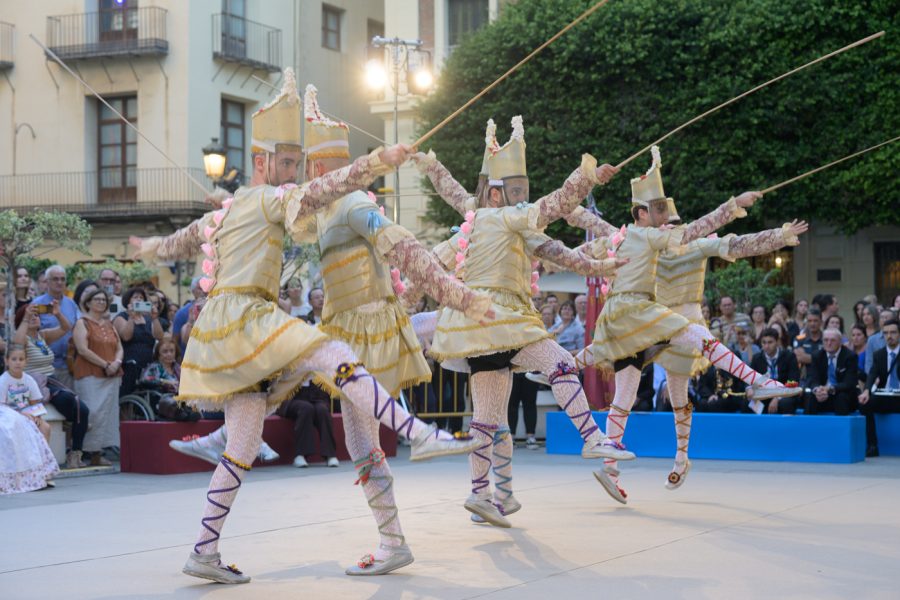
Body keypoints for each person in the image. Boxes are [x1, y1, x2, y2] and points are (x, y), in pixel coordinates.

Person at [132, 71, 478, 583]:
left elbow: (180, 240)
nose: (296, 173)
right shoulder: (272, 200)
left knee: (252, 440)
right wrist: (377, 160)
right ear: (262, 161)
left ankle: (204, 547)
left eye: (300, 162)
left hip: (228, 328)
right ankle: (418, 433)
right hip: (249, 317)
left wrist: (148, 247)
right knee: (330, 355)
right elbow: (323, 192)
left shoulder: (233, 210)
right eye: (289, 162)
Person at [417, 115, 632, 528]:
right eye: (516, 191)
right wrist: (587, 177)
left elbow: (555, 251)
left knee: (487, 420)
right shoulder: (505, 218)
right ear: (496, 194)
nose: (523, 199)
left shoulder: (489, 222)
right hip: (504, 321)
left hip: (478, 331)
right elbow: (554, 207)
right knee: (560, 364)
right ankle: (591, 438)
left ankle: (482, 494)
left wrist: (428, 163)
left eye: (523, 191)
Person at [569, 146, 800, 501]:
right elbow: (599, 233)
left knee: (668, 393)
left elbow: (737, 243)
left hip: (660, 318)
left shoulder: (671, 242)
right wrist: (572, 210)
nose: (668, 228)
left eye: (670, 222)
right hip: (648, 319)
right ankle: (758, 381)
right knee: (630, 384)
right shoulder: (646, 239)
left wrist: (778, 236)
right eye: (663, 220)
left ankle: (668, 458)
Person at [13, 302, 89, 469]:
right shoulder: (22, 337)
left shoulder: (43, 335)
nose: (34, 317)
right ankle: (69, 435)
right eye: (30, 315)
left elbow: (66, 327)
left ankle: (75, 453)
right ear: (21, 319)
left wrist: (57, 313)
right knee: (73, 403)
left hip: (51, 381)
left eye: (36, 315)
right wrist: (25, 318)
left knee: (82, 410)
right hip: (34, 383)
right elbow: (17, 343)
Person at [72, 288, 123, 466]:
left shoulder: (109, 324)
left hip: (111, 375)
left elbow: (119, 347)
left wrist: (116, 362)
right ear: (88, 303)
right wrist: (105, 365)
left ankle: (97, 454)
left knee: (107, 415)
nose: (101, 302)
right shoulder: (82, 323)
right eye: (97, 299)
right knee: (92, 413)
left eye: (103, 300)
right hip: (90, 374)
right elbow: (82, 350)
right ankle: (79, 452)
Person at [0, 345, 58, 494]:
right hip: (8, 416)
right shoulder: (3, 380)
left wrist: (36, 417)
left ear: (26, 361)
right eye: (14, 359)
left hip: (27, 415)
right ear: (6, 361)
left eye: (21, 359)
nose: (17, 362)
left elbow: (35, 403)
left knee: (44, 427)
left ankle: (42, 472)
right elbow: (2, 406)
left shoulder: (29, 380)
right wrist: (21, 415)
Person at [33, 265, 80, 389]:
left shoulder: (71, 304)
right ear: (47, 281)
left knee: (68, 398)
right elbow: (31, 334)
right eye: (55, 279)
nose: (59, 282)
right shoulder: (37, 304)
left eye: (62, 279)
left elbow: (78, 328)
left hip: (68, 365)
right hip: (45, 366)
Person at [114, 286, 165, 396]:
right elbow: (126, 336)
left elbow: (160, 336)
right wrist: (131, 317)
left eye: (141, 298)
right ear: (128, 301)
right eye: (135, 297)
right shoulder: (121, 317)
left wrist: (155, 318)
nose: (138, 299)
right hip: (129, 365)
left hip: (147, 365)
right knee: (127, 394)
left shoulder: (148, 318)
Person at [859, 319, 900, 456]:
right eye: (886, 333)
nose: (889, 336)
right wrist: (866, 391)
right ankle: (872, 446)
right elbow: (872, 374)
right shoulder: (879, 354)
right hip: (885, 395)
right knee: (865, 404)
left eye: (893, 332)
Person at [744, 328, 802, 414]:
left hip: (785, 394)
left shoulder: (789, 356)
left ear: (777, 342)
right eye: (764, 342)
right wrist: (749, 389)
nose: (766, 346)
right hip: (764, 394)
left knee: (786, 403)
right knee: (746, 403)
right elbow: (750, 379)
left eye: (770, 342)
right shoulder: (757, 358)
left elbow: (793, 381)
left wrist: (777, 397)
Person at [804, 328, 859, 416]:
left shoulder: (850, 356)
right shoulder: (817, 356)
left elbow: (849, 383)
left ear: (840, 342)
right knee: (810, 397)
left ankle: (841, 424)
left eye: (833, 340)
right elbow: (812, 378)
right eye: (826, 340)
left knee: (841, 398)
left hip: (840, 392)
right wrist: (817, 390)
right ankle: (809, 424)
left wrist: (830, 389)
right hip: (822, 393)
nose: (829, 343)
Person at [172, 276, 207, 355]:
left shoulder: (217, 309)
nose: (204, 291)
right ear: (193, 291)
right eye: (200, 288)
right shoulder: (182, 312)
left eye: (206, 288)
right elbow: (175, 340)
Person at [794, 308, 824, 384]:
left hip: (823, 379)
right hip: (805, 380)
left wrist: (806, 357)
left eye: (815, 321)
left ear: (821, 322)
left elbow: (827, 360)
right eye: (809, 321)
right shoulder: (799, 339)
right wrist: (820, 359)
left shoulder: (826, 339)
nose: (812, 324)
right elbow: (798, 358)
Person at [864, 308, 895, 375]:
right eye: (882, 317)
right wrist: (872, 377)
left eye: (886, 317)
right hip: (878, 376)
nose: (884, 320)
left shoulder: (898, 338)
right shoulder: (872, 340)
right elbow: (869, 362)